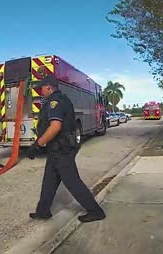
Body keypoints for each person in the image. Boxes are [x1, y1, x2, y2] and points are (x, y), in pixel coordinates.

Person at [28, 75, 106, 223]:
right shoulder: (60, 99)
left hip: (62, 150)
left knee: (72, 182)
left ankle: (95, 211)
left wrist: (38, 144)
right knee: (49, 182)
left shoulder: (55, 102)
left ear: (49, 87)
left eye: (42, 89)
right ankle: (43, 211)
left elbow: (55, 127)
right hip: (56, 150)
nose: (41, 92)